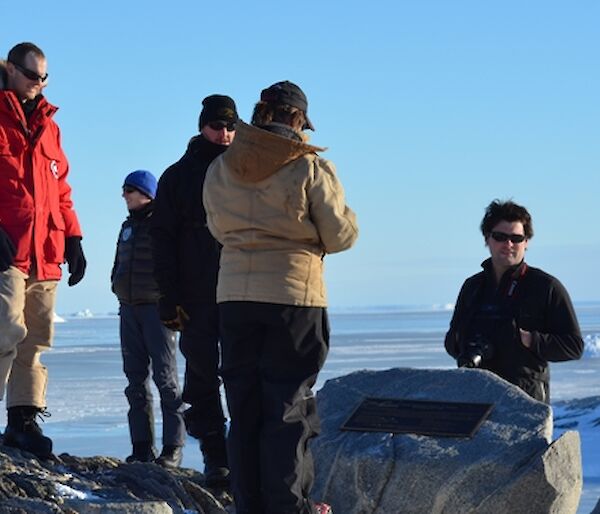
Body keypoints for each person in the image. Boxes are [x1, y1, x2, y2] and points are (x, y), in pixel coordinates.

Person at [203, 81, 357, 514]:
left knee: (244, 407)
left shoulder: (221, 166)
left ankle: (248, 505)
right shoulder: (309, 168)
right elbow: (341, 234)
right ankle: (289, 508)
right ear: (298, 121)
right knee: (288, 410)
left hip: (233, 296)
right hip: (294, 297)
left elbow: (216, 227)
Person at [0, 42, 86, 459]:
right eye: (33, 75)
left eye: (44, 77)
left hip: (45, 251)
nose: (39, 84)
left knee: (35, 339)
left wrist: (73, 237)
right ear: (12, 71)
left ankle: (23, 420)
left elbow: (60, 189)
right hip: (6, 249)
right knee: (3, 332)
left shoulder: (51, 127)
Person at [150, 94, 238, 486]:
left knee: (243, 373)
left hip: (242, 289)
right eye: (218, 126)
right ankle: (215, 455)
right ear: (203, 126)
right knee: (202, 375)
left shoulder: (247, 170)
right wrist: (168, 295)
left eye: (231, 126)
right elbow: (162, 239)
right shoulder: (178, 175)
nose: (225, 134)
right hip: (197, 293)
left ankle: (243, 454)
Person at [444, 199, 583, 403]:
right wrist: (466, 344)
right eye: (500, 237)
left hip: (525, 401)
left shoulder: (546, 287)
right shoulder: (473, 287)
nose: (508, 244)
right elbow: (451, 341)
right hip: (476, 396)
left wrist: (528, 339)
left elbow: (574, 346)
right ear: (487, 239)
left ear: (526, 242)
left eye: (516, 238)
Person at [111, 170, 186, 468]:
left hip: (157, 311)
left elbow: (175, 265)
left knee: (166, 380)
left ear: (146, 193)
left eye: (129, 190)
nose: (124, 195)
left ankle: (173, 448)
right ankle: (141, 447)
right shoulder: (127, 227)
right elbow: (119, 262)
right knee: (135, 381)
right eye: (124, 189)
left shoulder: (163, 226)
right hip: (128, 309)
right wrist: (116, 284)